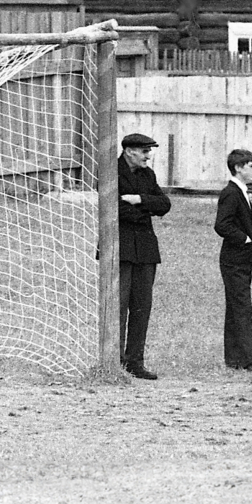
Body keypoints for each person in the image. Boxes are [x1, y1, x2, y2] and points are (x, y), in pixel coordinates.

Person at [116, 131, 171, 380]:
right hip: (120, 247)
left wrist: (139, 199)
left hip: (146, 249)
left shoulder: (148, 175)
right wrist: (146, 210)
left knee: (141, 307)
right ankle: (113, 360)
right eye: (145, 151)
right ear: (130, 151)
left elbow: (164, 204)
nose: (149, 156)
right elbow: (116, 210)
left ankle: (134, 361)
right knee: (117, 306)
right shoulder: (111, 171)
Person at [214, 147, 252, 371]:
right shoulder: (231, 192)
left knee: (236, 307)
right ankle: (251, 359)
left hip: (242, 259)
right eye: (251, 166)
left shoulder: (241, 191)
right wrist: (243, 239)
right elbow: (222, 225)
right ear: (238, 168)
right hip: (234, 259)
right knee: (242, 307)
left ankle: (234, 358)